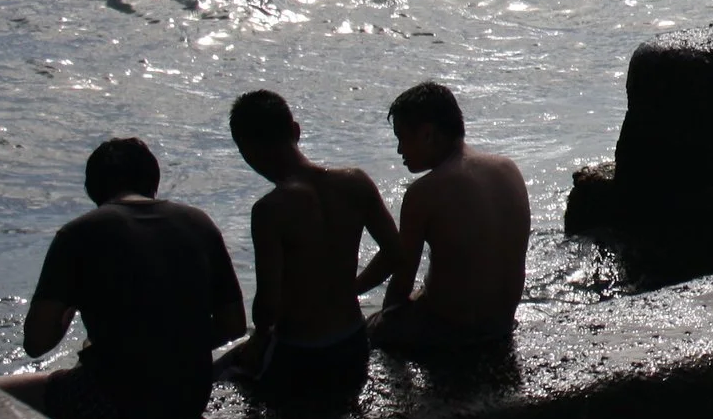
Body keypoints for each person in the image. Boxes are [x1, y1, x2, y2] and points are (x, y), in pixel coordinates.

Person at [0, 137, 245, 419]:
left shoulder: (78, 234)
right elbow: (234, 325)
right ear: (154, 181)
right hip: (190, 399)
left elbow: (37, 343)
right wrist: (171, 347)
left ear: (93, 189)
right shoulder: (199, 222)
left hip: (117, 406)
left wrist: (71, 301)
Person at [217, 89, 397, 397]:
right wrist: (350, 289)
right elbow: (394, 252)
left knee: (218, 375)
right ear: (296, 131)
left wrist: (259, 338)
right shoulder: (356, 182)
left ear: (247, 151)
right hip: (353, 341)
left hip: (300, 352)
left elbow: (268, 305)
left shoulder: (270, 210)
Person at [367, 82, 530, 356]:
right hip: (501, 323)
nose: (399, 150)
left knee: (367, 330)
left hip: (454, 331)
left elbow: (400, 283)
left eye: (402, 138)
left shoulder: (424, 192)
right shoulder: (508, 168)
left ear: (428, 134)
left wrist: (384, 321)